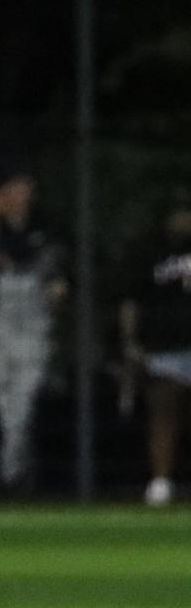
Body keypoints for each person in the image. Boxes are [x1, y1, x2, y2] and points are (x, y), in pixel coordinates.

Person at [0, 171, 65, 493]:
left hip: (33, 321)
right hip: (2, 321)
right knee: (2, 396)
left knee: (25, 399)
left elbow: (34, 258)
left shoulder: (43, 227)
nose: (20, 196)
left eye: (24, 189)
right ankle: (21, 471)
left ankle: (10, 474)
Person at [118, 189, 191, 506]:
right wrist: (131, 341)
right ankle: (160, 483)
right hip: (165, 344)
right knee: (164, 412)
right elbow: (131, 300)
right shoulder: (149, 251)